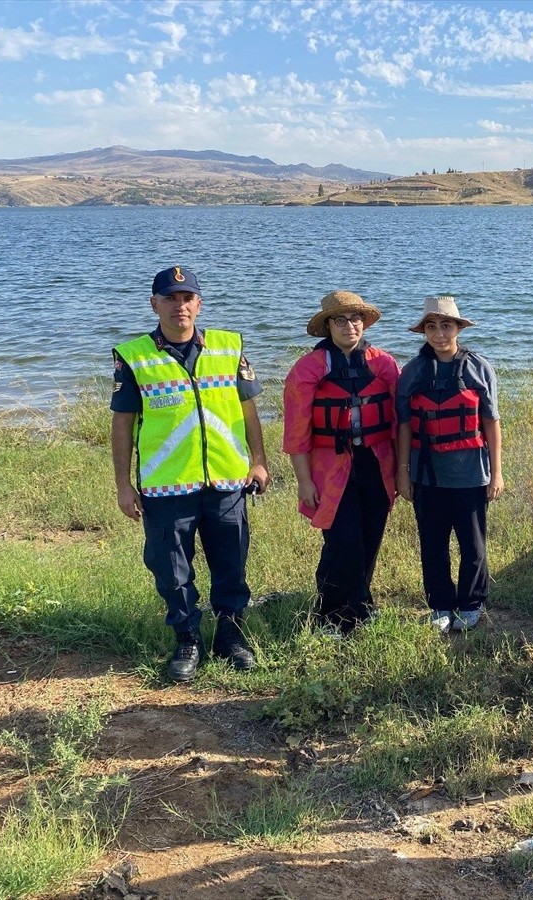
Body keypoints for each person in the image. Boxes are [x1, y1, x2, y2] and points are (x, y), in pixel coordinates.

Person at [111, 266, 268, 682]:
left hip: (227, 480)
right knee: (172, 569)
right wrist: (124, 485)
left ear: (199, 303)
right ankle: (187, 639)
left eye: (187, 297)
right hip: (166, 485)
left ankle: (230, 636)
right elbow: (123, 424)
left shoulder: (229, 346)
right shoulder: (134, 356)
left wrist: (259, 460)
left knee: (231, 563)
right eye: (170, 298)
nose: (179, 305)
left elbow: (249, 410)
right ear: (154, 304)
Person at [283, 291, 399, 635]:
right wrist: (304, 482)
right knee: (343, 541)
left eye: (355, 319)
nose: (350, 326)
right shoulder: (308, 369)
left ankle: (362, 605)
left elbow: (399, 425)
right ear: (327, 326)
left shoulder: (384, 363)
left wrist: (404, 472)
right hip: (331, 467)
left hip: (376, 464)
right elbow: (296, 433)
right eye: (340, 320)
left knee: (370, 536)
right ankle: (332, 616)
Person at [396, 295, 503, 633]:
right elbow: (403, 426)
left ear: (458, 328)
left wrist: (497, 472)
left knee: (473, 544)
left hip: (471, 474)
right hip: (427, 475)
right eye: (432, 326)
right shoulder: (412, 371)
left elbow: (491, 422)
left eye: (446, 325)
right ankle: (441, 604)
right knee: (433, 544)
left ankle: (471, 602)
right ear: (424, 331)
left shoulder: (478, 368)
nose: (439, 333)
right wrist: (403, 473)